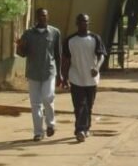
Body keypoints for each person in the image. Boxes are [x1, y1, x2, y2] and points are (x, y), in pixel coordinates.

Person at [15, 8, 63, 142]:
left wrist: (60, 74)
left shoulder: (54, 32)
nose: (43, 18)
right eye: (40, 16)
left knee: (48, 98)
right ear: (36, 17)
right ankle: (38, 132)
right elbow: (22, 54)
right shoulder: (28, 34)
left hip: (49, 71)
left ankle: (51, 125)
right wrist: (19, 46)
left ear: (48, 17)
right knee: (35, 104)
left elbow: (58, 54)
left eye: (45, 16)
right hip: (33, 73)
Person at [62, 13, 106, 143]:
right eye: (81, 21)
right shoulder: (70, 40)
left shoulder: (95, 38)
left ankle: (86, 128)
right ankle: (79, 130)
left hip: (91, 79)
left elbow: (101, 55)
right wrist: (64, 77)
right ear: (77, 23)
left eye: (86, 22)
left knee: (89, 105)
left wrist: (97, 68)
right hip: (76, 77)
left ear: (88, 23)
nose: (84, 24)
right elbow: (65, 59)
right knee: (79, 105)